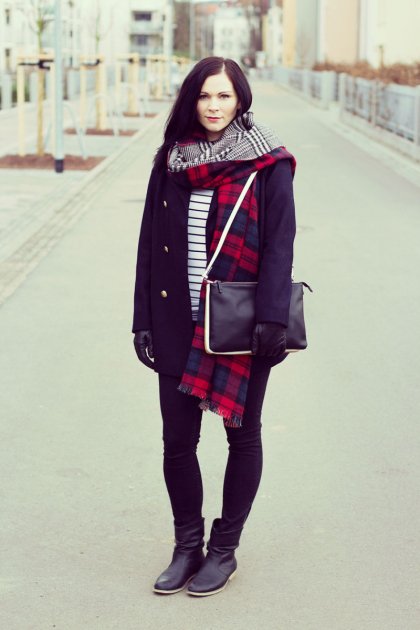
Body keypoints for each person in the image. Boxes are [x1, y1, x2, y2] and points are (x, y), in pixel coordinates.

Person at [132, 57, 296, 597]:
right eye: (204, 95)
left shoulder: (267, 163)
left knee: (241, 436)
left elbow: (279, 246)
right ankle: (187, 547)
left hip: (238, 326)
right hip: (176, 319)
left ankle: (223, 550)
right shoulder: (171, 160)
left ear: (240, 99)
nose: (213, 106)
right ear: (191, 99)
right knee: (177, 441)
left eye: (224, 95)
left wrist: (272, 319)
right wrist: (142, 320)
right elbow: (149, 243)